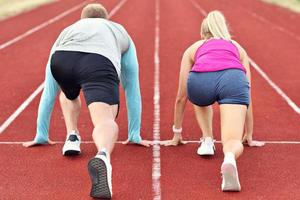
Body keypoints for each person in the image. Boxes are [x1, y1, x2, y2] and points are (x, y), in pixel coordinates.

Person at [23, 3, 151, 198]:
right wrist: (134, 133)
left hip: (62, 59)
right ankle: (103, 156)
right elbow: (131, 86)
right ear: (106, 20)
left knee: (68, 93)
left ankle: (72, 137)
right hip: (98, 62)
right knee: (105, 118)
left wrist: (41, 133)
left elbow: (49, 90)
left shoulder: (68, 30)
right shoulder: (117, 29)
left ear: (82, 20)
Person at [162, 10, 264, 191]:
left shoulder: (194, 48)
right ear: (225, 30)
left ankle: (207, 139)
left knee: (201, 98)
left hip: (200, 82)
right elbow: (246, 93)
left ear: (202, 33)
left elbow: (181, 97)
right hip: (233, 80)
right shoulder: (237, 48)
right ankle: (230, 157)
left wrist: (177, 133)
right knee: (233, 140)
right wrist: (249, 134)